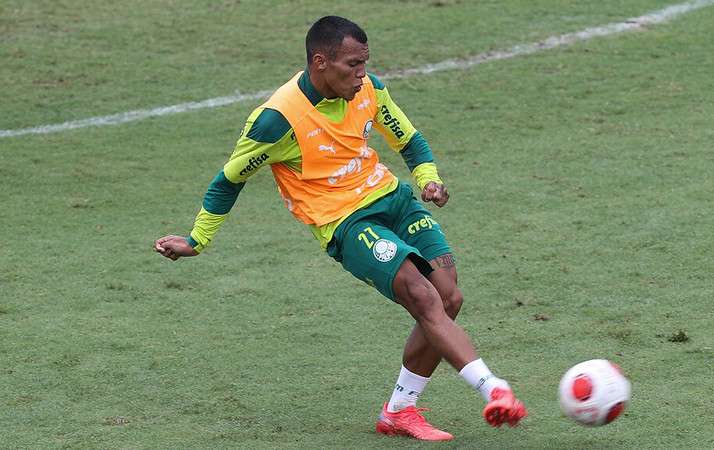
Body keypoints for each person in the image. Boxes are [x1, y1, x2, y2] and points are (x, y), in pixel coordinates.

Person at [154, 15, 526, 441]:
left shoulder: (368, 89)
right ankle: (494, 388)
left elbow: (409, 140)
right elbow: (228, 181)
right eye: (353, 64)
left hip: (394, 199)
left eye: (365, 62)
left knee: (448, 295)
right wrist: (198, 240)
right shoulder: (278, 121)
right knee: (423, 296)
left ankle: (399, 412)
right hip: (345, 222)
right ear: (320, 62)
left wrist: (427, 179)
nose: (362, 74)